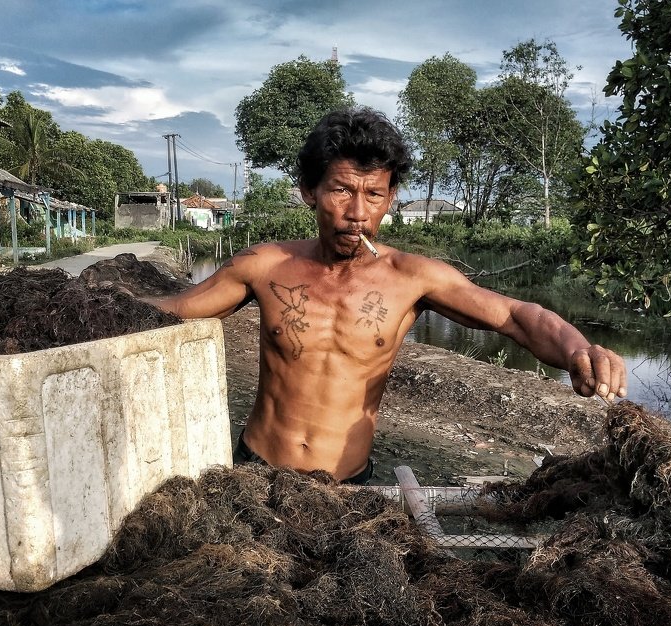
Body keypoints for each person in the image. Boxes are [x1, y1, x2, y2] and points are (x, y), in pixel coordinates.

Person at [154, 107, 627, 484]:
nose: (357, 213)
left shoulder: (412, 278)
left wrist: (579, 351)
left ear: (392, 196)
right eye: (341, 190)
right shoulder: (263, 266)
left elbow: (516, 316)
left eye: (374, 195)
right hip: (258, 470)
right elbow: (173, 313)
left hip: (348, 483)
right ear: (308, 191)